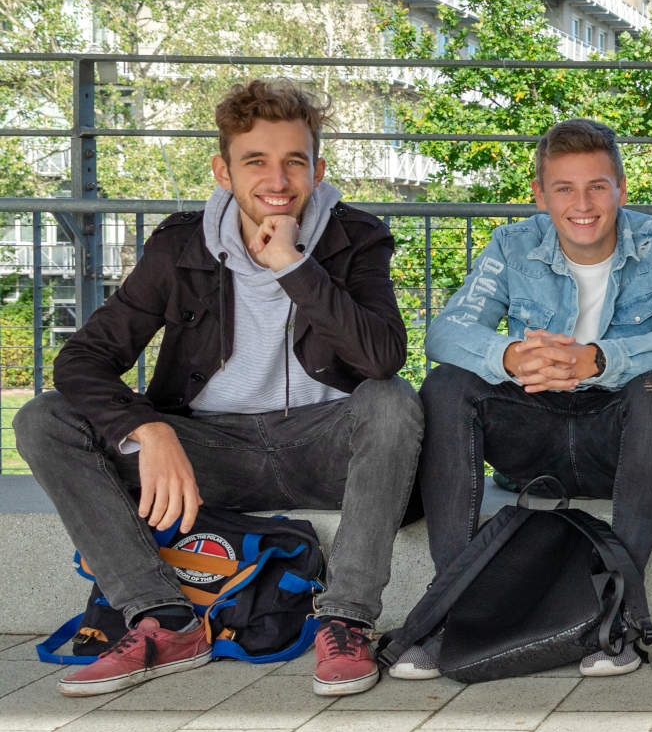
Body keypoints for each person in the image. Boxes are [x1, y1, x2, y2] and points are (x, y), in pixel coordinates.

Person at [13, 79, 420, 698]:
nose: (277, 180)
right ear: (223, 172)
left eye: (294, 162)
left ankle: (345, 620)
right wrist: (146, 430)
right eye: (255, 161)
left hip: (322, 449)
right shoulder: (180, 245)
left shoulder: (354, 237)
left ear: (318, 169)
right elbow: (83, 360)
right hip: (210, 454)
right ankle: (162, 618)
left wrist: (294, 266)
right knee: (45, 418)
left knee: (393, 402)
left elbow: (382, 358)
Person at [402, 118, 652, 679]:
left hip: (622, 438)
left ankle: (617, 614)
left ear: (621, 189)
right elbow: (445, 333)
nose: (581, 203)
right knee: (446, 384)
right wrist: (511, 356)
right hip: (537, 441)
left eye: (596, 186)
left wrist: (602, 358)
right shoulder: (511, 245)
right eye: (564, 188)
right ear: (541, 194)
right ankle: (451, 605)